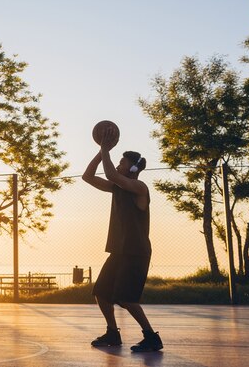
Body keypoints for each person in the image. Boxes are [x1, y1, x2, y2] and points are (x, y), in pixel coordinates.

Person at [81, 128, 163, 352]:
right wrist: (101, 152)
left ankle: (151, 336)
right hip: (119, 250)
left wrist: (106, 150)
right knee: (102, 293)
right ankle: (112, 333)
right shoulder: (117, 187)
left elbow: (111, 175)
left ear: (133, 168)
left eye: (122, 163)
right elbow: (87, 177)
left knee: (126, 298)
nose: (117, 166)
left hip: (136, 251)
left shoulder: (139, 188)